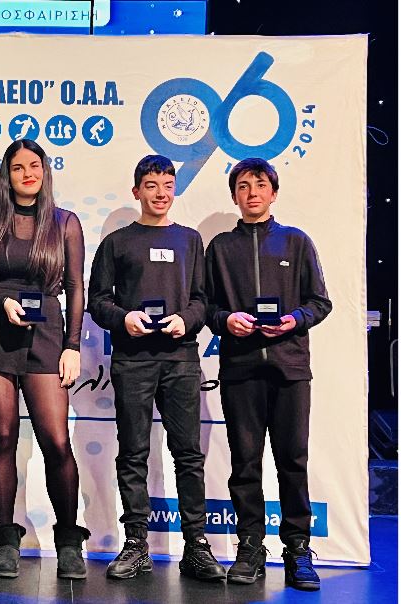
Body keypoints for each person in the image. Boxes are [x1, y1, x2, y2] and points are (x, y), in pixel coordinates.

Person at [87, 155, 225, 581]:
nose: (160, 193)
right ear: (137, 191)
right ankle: (136, 544)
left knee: (188, 454)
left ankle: (196, 546)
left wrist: (187, 319)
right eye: (151, 185)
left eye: (167, 185)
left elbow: (203, 299)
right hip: (133, 360)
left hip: (181, 358)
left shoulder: (190, 240)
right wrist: (124, 318)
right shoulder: (117, 242)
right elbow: (98, 301)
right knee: (133, 453)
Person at [0, 138, 90, 579]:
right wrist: (0, 303)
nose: (27, 174)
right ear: (7, 175)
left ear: (45, 171)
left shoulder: (65, 222)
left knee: (56, 440)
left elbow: (75, 287)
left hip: (48, 334)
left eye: (34, 166)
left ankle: (68, 541)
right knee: (2, 436)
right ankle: (5, 541)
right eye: (18, 168)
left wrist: (72, 345)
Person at [205, 158, 332, 591]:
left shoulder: (296, 242)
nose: (252, 192)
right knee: (244, 463)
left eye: (260, 185)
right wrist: (226, 321)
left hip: (290, 370)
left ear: (273, 193)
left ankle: (298, 549)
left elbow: (320, 302)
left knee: (293, 461)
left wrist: (295, 319)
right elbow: (206, 306)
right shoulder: (220, 248)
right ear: (234, 196)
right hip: (240, 370)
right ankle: (250, 547)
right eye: (243, 186)